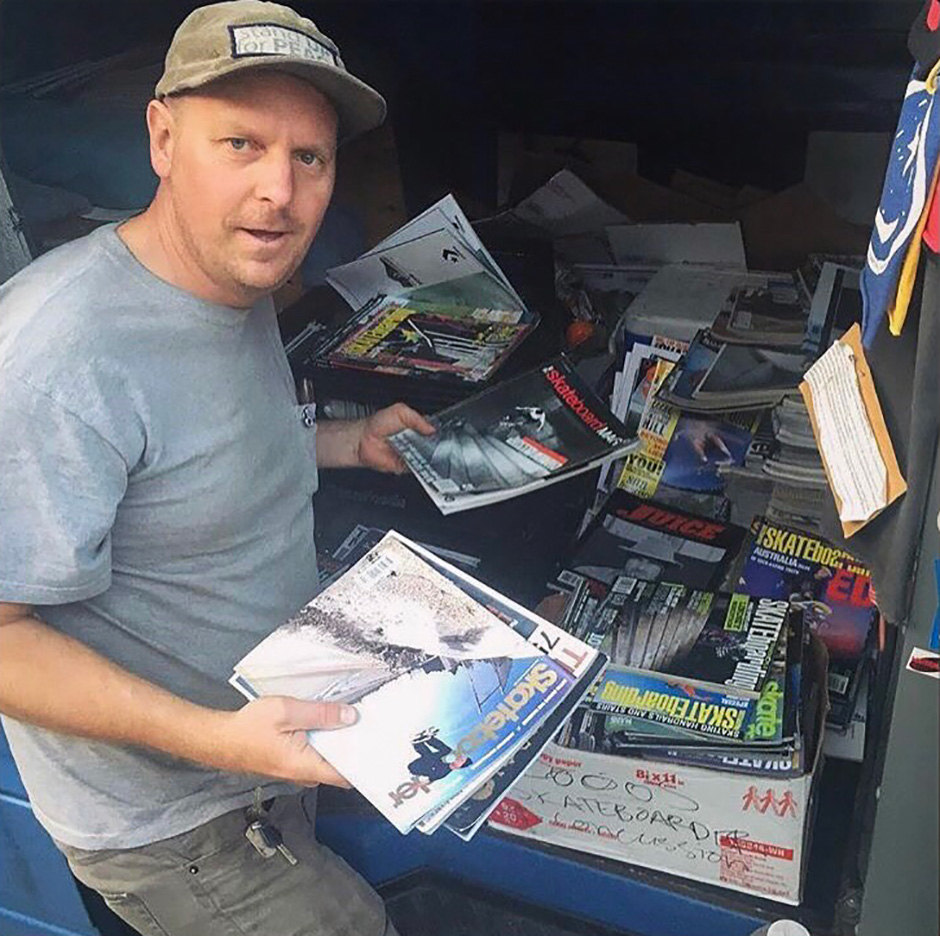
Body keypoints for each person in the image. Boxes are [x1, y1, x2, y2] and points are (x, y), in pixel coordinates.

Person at [0, 2, 434, 934]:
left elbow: (184, 459)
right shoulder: (53, 359)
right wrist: (220, 739)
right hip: (176, 825)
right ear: (162, 138)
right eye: (240, 143)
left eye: (308, 157)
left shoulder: (232, 283)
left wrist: (343, 443)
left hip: (263, 751)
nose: (279, 191)